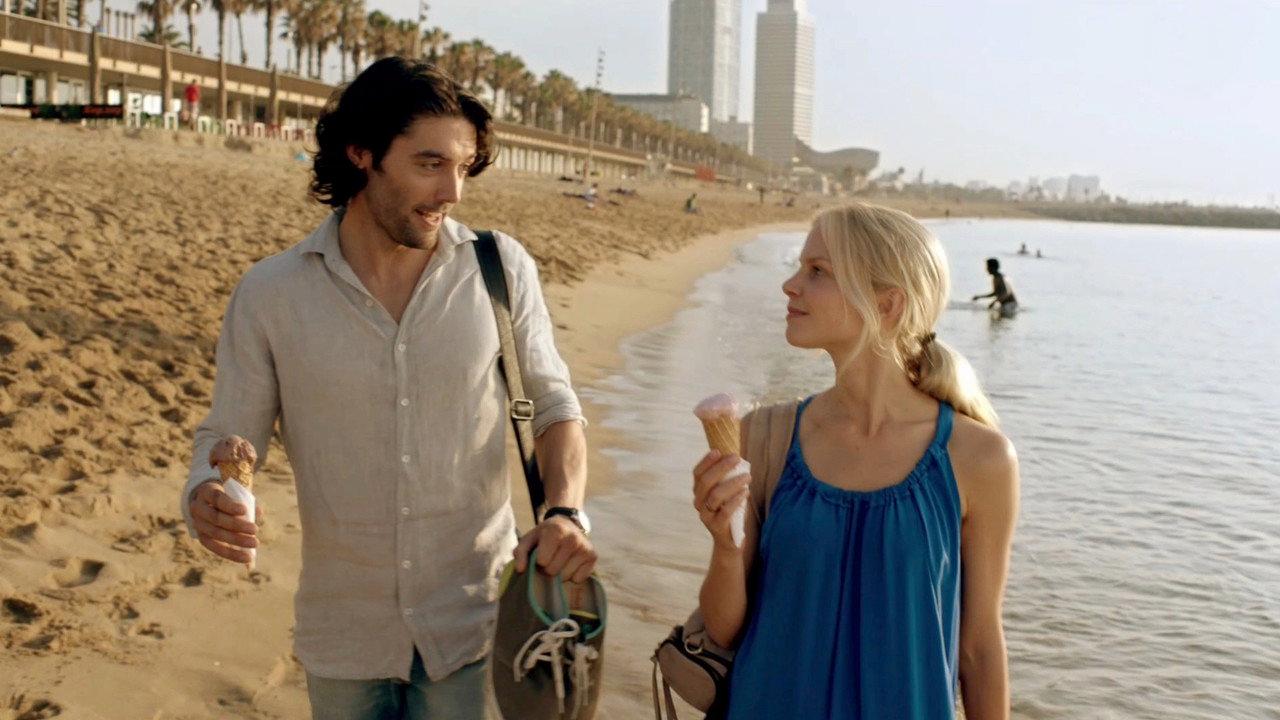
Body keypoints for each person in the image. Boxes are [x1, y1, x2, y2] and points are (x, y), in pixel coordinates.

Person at [180, 57, 596, 720]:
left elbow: (553, 407)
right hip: (343, 633)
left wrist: (566, 512)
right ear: (362, 152)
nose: (452, 191)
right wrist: (207, 491)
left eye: (463, 167)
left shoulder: (499, 270)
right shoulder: (272, 293)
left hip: (478, 623)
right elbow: (229, 434)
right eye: (430, 164)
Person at [693, 204, 1019, 719]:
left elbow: (979, 647)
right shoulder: (765, 437)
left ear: (887, 304)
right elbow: (723, 628)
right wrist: (725, 545)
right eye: (800, 267)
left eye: (817, 271)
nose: (790, 285)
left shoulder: (979, 458)